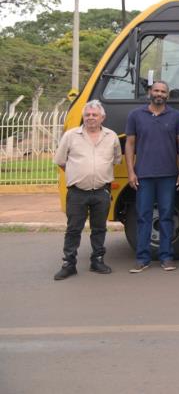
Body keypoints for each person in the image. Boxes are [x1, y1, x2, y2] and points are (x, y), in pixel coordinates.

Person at [52, 100, 122, 280]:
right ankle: (69, 264)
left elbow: (116, 159)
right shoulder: (70, 135)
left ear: (102, 117)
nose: (90, 118)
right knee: (73, 229)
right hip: (77, 192)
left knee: (99, 228)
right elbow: (61, 161)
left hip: (101, 191)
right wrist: (78, 174)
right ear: (84, 116)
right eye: (88, 115)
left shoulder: (111, 136)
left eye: (94, 115)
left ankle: (97, 260)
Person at [125, 80, 179, 273]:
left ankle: (166, 257)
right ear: (150, 92)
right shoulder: (136, 115)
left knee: (167, 216)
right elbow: (130, 145)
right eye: (156, 90)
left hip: (168, 175)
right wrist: (130, 172)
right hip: (143, 175)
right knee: (143, 217)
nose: (159, 94)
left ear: (167, 95)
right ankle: (142, 259)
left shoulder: (176, 116)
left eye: (163, 91)